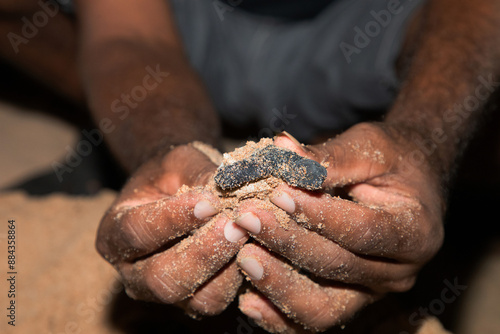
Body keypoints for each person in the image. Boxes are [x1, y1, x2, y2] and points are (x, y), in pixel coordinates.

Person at [1, 0, 499, 332]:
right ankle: (123, 150)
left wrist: (426, 140)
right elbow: (128, 32)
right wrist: (163, 145)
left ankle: (373, 167)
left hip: (370, 27)